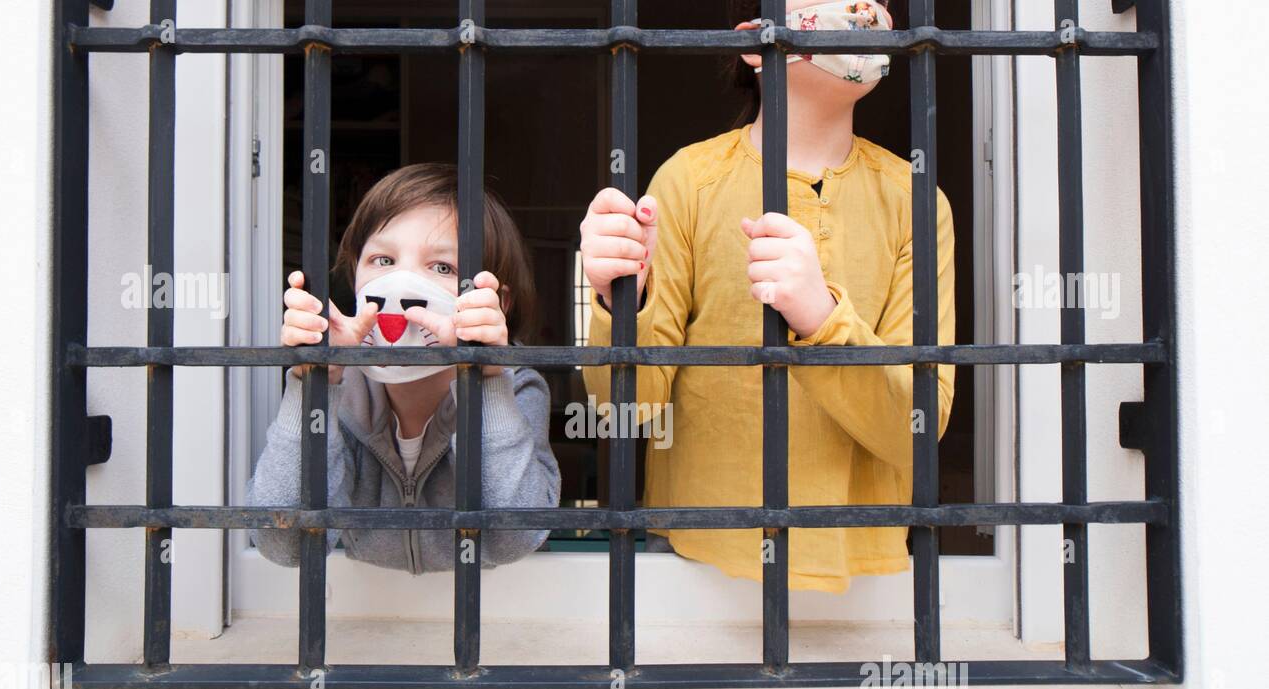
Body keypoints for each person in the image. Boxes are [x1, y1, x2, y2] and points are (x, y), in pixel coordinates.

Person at [579, 0, 956, 594]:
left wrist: (823, 319)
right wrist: (609, 298)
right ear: (756, 46)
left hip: (863, 561)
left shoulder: (917, 201)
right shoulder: (687, 180)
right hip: (694, 556)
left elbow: (919, 423)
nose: (865, 13)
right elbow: (628, 409)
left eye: (877, 2)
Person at [247, 163, 561, 572]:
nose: (401, 284)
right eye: (382, 260)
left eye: (442, 267)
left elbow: (513, 537)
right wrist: (317, 383)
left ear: (496, 303)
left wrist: (486, 380)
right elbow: (283, 543)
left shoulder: (517, 387)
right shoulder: (345, 391)